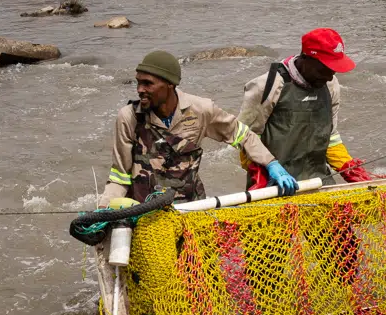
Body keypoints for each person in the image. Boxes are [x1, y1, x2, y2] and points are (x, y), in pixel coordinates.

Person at [100, 50, 298, 207]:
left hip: (192, 207)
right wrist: (104, 209)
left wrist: (272, 164)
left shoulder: (201, 110)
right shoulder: (129, 117)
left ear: (170, 84)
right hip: (145, 212)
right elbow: (120, 175)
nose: (139, 89)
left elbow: (242, 135)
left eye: (147, 84)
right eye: (138, 82)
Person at [238, 28, 374, 188]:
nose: (330, 76)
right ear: (305, 59)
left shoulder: (331, 85)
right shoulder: (267, 86)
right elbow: (244, 136)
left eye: (333, 70)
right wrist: (258, 171)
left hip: (319, 181)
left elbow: (330, 135)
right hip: (276, 182)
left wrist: (348, 167)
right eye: (324, 69)